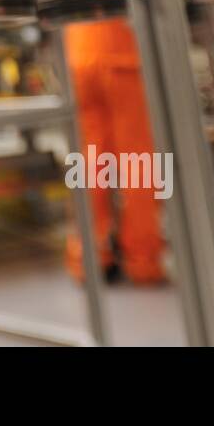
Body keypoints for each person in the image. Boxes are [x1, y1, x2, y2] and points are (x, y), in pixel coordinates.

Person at [63, 17, 166, 285]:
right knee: (138, 162)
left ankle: (89, 255)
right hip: (123, 54)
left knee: (90, 162)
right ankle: (142, 260)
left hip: (78, 52)